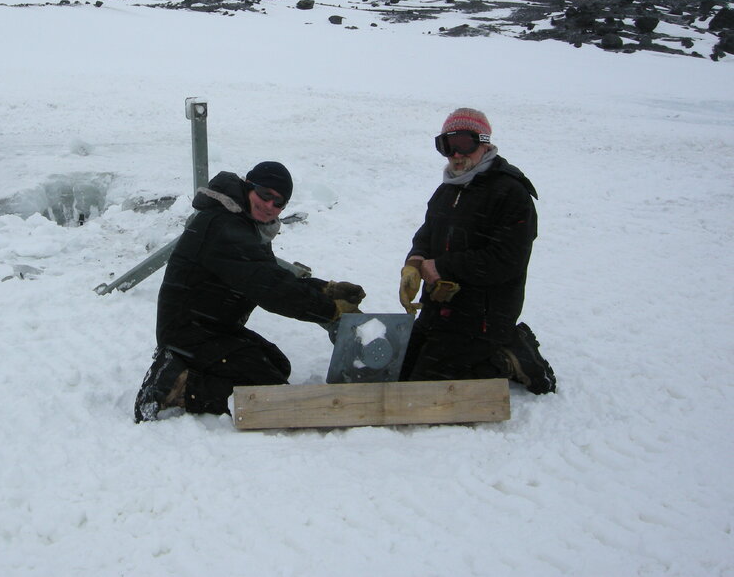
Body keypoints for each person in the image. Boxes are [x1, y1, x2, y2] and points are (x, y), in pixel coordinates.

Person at [135, 161, 366, 422]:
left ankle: (184, 366)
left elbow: (270, 274)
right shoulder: (224, 226)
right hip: (188, 332)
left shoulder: (242, 223)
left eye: (278, 203)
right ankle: (176, 385)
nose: (269, 205)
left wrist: (326, 290)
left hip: (212, 327)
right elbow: (269, 288)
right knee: (267, 388)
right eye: (265, 195)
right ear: (248, 187)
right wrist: (329, 310)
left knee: (277, 365)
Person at [397, 108, 556, 394]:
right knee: (398, 369)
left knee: (424, 389)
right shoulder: (447, 191)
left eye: (463, 144)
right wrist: (415, 261)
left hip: (480, 320)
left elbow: (506, 261)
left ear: (484, 142)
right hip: (438, 312)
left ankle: (508, 358)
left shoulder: (511, 193)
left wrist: (445, 268)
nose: (456, 155)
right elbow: (427, 233)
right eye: (446, 146)